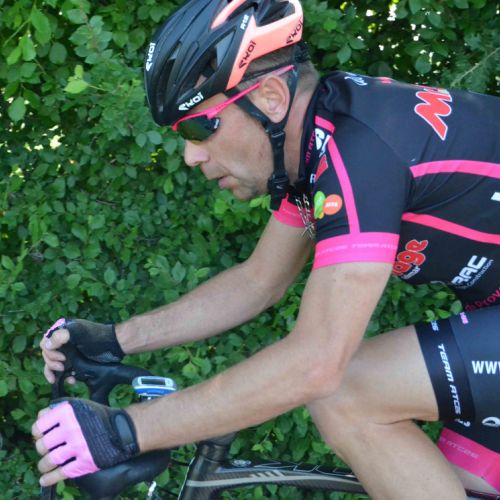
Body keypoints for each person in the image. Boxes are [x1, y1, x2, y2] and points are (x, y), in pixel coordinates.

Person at [33, 0, 500, 498]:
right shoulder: (316, 146)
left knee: (346, 394)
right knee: (450, 484)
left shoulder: (361, 155)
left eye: (198, 127)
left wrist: (128, 431)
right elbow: (258, 282)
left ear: (271, 97)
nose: (190, 155)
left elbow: (317, 362)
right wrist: (116, 339)